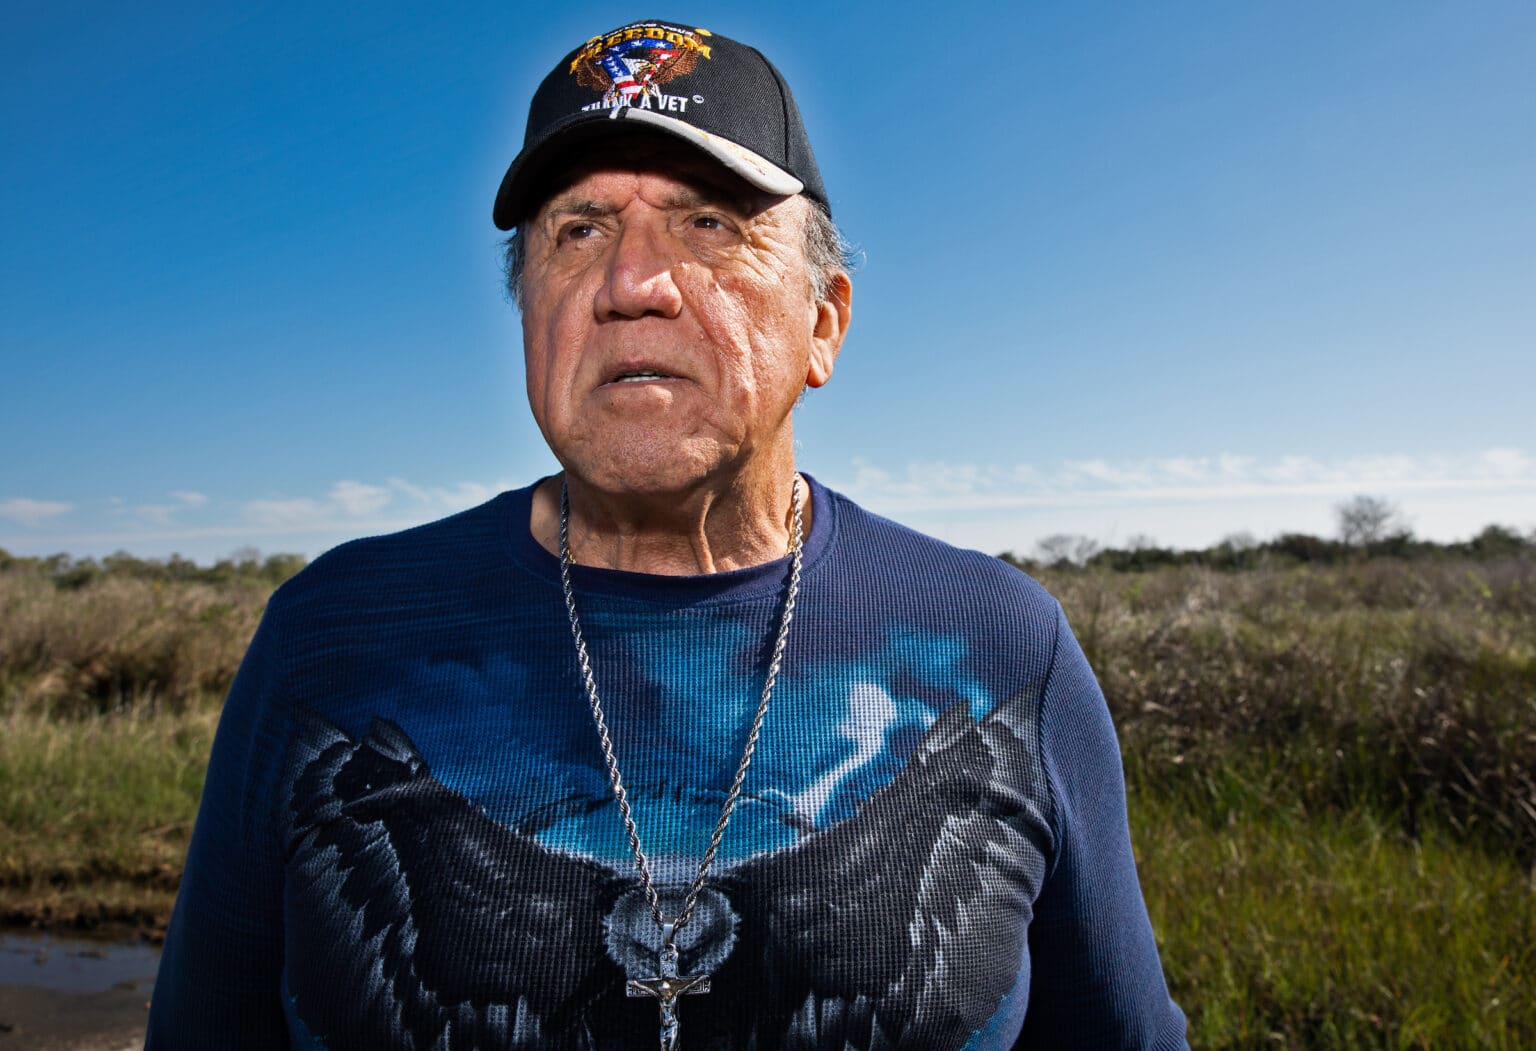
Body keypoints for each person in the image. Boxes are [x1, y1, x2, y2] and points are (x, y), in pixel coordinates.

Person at [147, 18, 1188, 1050]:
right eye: (579, 231)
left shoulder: (1002, 644)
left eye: (709, 225)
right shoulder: (331, 638)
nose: (632, 285)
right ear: (526, 315)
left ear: (823, 322)